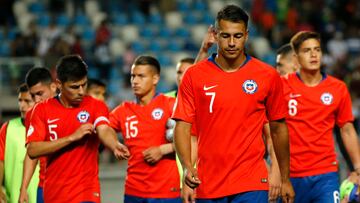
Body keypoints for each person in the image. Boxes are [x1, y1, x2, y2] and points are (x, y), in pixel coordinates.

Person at [173, 5, 294, 203]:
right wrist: (187, 167)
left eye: (237, 36)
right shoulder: (194, 76)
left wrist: (285, 177)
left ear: (246, 35)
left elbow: (278, 129)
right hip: (208, 183)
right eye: (225, 36)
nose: (231, 43)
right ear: (216, 35)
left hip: (252, 181)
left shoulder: (267, 76)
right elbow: (182, 127)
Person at [25, 55, 130, 203]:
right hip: (54, 193)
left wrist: (114, 145)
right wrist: (71, 138)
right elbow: (33, 150)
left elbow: (104, 129)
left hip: (86, 191)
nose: (81, 91)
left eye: (84, 84)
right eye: (74, 87)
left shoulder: (96, 106)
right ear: (59, 84)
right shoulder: (42, 110)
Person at [282, 31, 360, 203]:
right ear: (296, 57)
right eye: (307, 50)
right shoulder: (281, 86)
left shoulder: (337, 88)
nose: (313, 54)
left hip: (326, 174)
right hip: (291, 175)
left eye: (317, 49)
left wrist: (358, 167)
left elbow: (347, 130)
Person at [109, 55, 181, 203]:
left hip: (166, 191)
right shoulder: (123, 110)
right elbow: (104, 128)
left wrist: (163, 149)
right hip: (133, 190)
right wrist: (113, 143)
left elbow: (194, 138)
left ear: (155, 79)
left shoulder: (170, 105)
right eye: (133, 76)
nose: (135, 81)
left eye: (141, 76)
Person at [19, 67, 58, 203]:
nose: (36, 99)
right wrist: (23, 188)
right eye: (33, 95)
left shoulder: (71, 107)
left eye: (40, 93)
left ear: (53, 87)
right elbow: (32, 154)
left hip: (74, 186)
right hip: (44, 186)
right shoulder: (32, 114)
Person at [0, 84, 38, 203]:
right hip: (12, 198)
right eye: (20, 100)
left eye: (27, 101)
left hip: (42, 197)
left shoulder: (48, 128)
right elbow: (0, 161)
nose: (22, 106)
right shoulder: (7, 128)